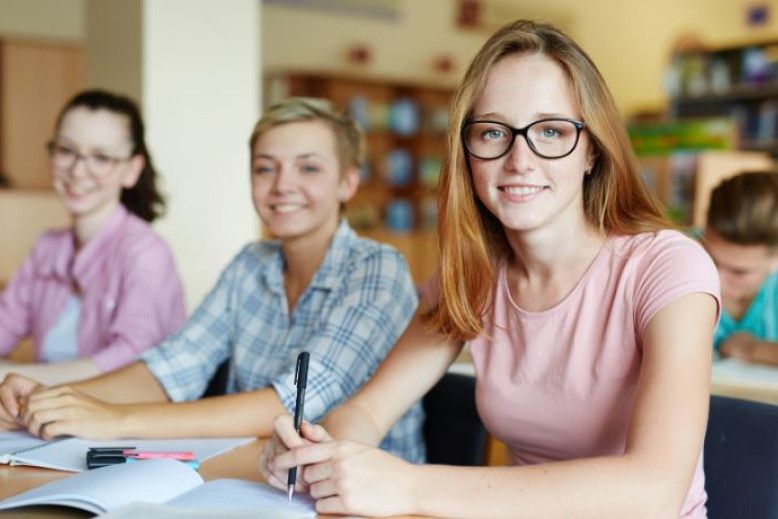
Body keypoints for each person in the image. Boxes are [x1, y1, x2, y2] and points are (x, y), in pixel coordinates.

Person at [259, 20, 720, 519]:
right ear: (467, 152)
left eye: (550, 131)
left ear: (593, 149)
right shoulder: (473, 275)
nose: (519, 159)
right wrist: (322, 452)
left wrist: (410, 485)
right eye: (493, 132)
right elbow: (367, 410)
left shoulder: (667, 267)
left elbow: (653, 491)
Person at [0, 97, 424, 464]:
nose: (282, 185)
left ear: (348, 182)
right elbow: (171, 368)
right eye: (265, 168)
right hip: (257, 476)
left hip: (366, 500)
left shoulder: (378, 269)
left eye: (308, 168)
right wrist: (51, 398)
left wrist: (114, 419)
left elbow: (291, 404)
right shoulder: (250, 264)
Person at [0, 89, 186, 386]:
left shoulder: (146, 253)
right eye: (66, 150)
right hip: (46, 407)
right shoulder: (48, 247)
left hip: (118, 411)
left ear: (132, 170)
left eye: (101, 157)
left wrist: (22, 376)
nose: (77, 171)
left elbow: (135, 357)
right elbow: (6, 322)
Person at [700, 171, 778, 366]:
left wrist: (752, 349)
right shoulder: (674, 255)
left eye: (739, 272)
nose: (716, 280)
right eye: (709, 259)